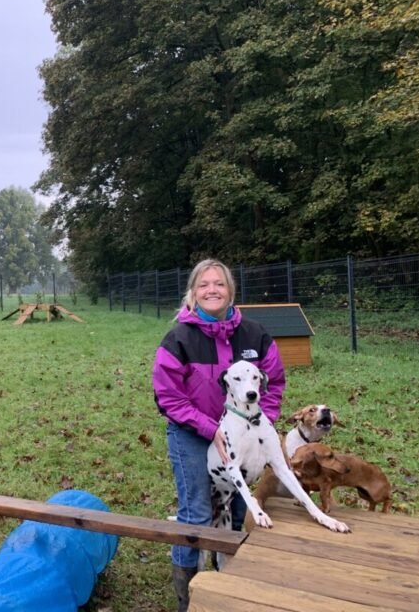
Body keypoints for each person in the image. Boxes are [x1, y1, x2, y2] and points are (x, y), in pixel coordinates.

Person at [152, 259, 286, 612]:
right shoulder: (178, 339)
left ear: (231, 290)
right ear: (193, 293)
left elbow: (274, 384)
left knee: (242, 508)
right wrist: (211, 429)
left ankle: (229, 589)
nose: (212, 290)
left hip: (245, 435)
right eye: (204, 285)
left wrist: (262, 424)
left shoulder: (255, 335)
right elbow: (168, 396)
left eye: (219, 284)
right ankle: (189, 598)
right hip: (193, 435)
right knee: (196, 512)